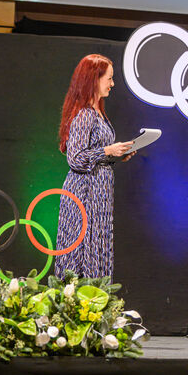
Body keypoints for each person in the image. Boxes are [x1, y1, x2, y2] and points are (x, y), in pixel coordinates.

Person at [54, 54, 134, 280]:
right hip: (84, 194)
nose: (112, 84)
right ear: (93, 80)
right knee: (81, 251)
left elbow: (95, 154)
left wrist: (117, 155)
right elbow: (76, 159)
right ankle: (76, 296)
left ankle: (97, 296)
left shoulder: (98, 112)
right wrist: (108, 150)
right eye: (109, 78)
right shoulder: (85, 115)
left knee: (97, 246)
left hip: (99, 194)